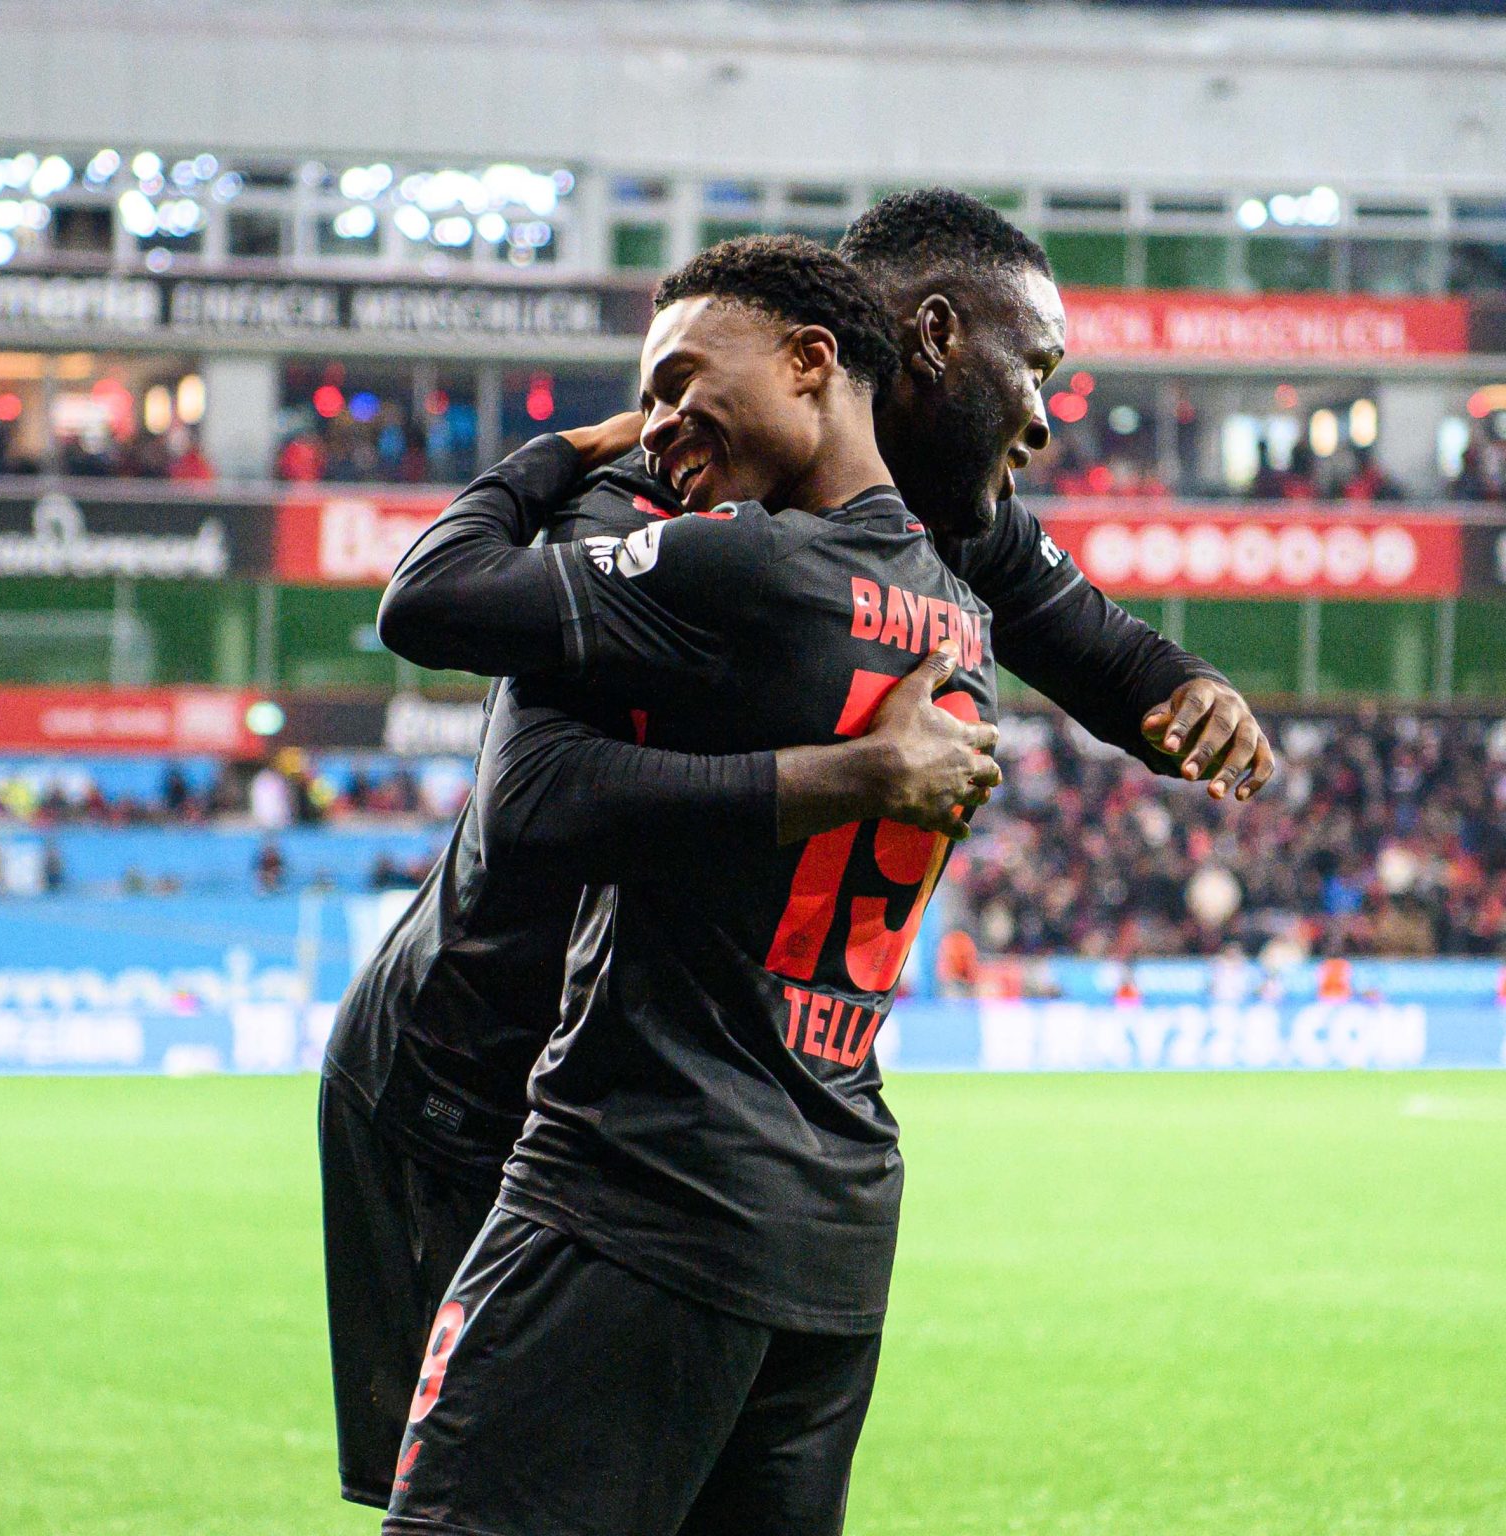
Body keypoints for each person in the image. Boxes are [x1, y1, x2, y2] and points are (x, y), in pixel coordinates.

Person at [319, 190, 1273, 1513]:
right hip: (474, 1071)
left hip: (678, 1115)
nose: (1046, 419)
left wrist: (1185, 688)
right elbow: (529, 788)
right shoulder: (658, 495)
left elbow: (1097, 643)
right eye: (1036, 369)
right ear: (928, 340)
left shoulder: (934, 534)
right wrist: (853, 774)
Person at [373, 233, 999, 1536]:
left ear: (811, 360)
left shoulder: (739, 564)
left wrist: (566, 457)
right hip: (833, 1223)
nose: (658, 422)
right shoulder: (958, 617)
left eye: (679, 381)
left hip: (638, 1187)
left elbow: (435, 614)